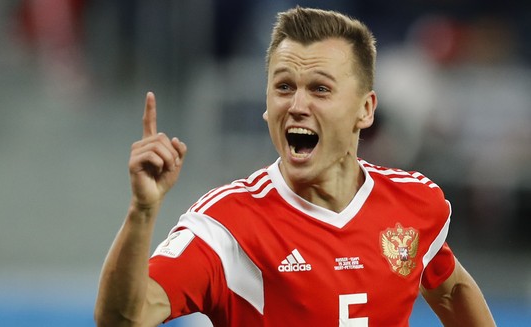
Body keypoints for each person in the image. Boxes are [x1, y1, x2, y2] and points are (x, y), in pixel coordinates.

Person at [94, 7, 495, 327]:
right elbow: (122, 319)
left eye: (320, 89)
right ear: (267, 106)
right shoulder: (227, 226)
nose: (297, 105)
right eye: (284, 87)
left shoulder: (413, 203)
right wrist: (142, 212)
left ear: (365, 109)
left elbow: (450, 288)